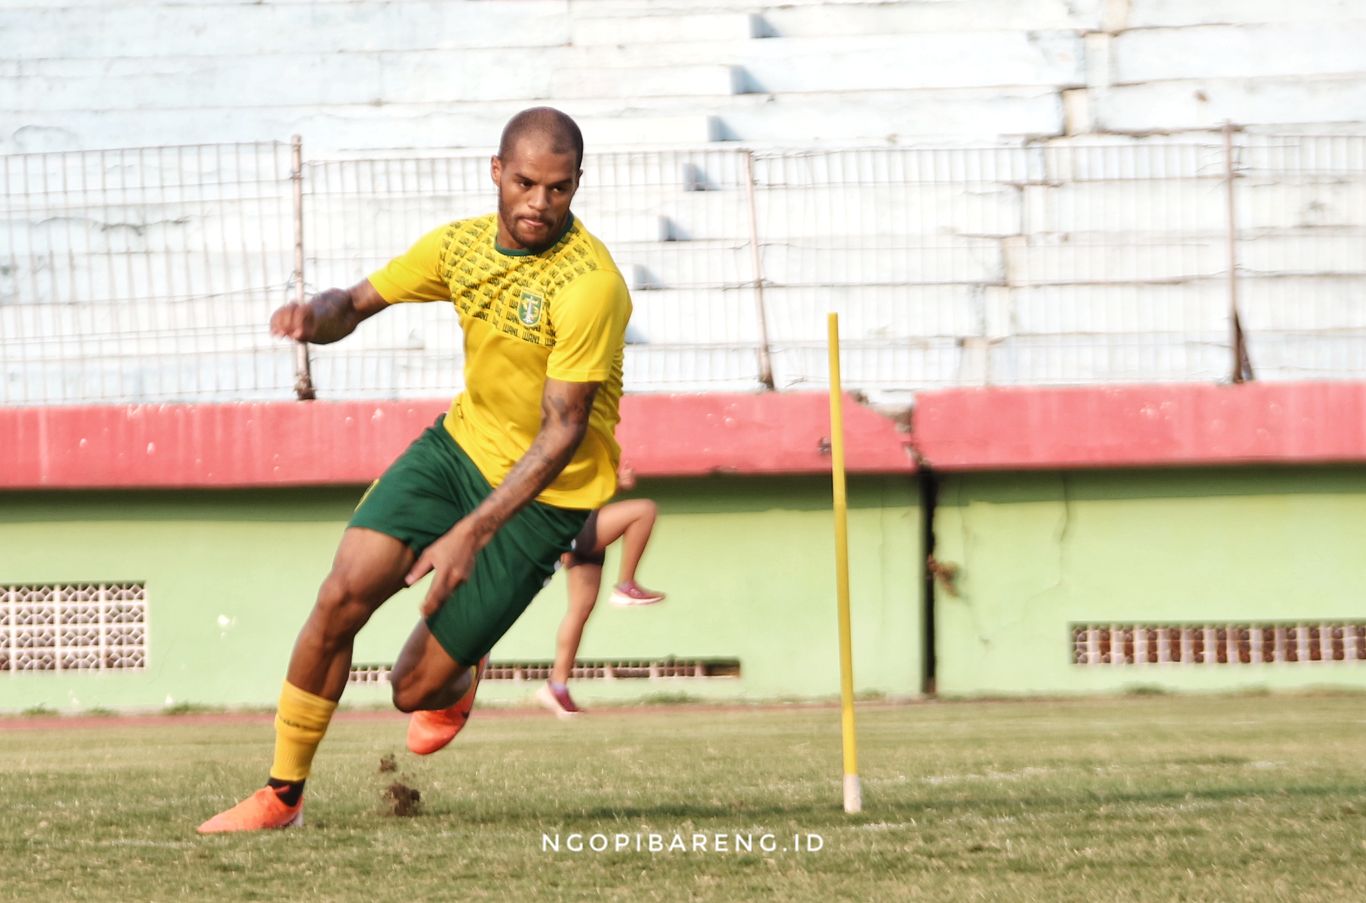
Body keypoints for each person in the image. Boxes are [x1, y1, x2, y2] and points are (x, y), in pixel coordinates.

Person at [198, 107, 632, 833]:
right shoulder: (459, 247)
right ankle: (281, 796)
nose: (538, 203)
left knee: (411, 690)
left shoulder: (591, 285)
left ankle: (460, 673)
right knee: (342, 594)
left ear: (577, 185)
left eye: (558, 189)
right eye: (525, 182)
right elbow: (358, 303)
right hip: (457, 450)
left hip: (545, 495)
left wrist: (470, 533)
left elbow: (561, 434)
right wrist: (317, 315)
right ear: (496, 171)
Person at [536, 466, 666, 718]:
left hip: (576, 525)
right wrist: (614, 483)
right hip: (574, 523)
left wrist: (615, 484)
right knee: (644, 510)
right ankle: (626, 584)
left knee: (580, 610)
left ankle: (556, 687)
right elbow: (565, 488)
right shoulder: (565, 444)